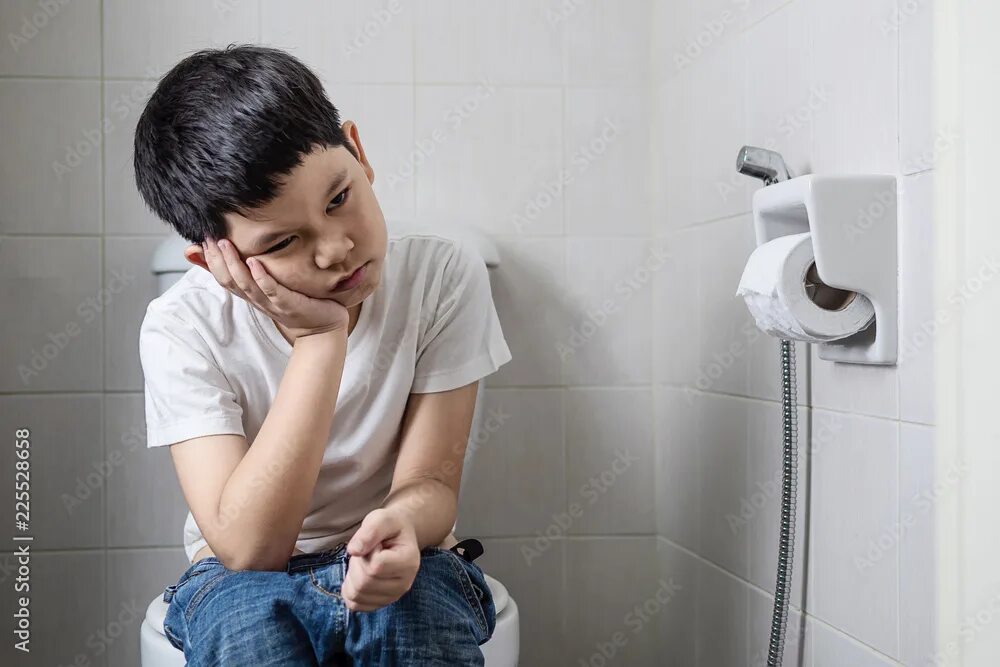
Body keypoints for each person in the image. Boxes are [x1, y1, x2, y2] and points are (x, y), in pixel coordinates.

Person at [134, 43, 511, 665]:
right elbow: (250, 549)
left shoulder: (443, 274)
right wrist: (318, 339)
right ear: (214, 261)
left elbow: (431, 483)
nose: (336, 249)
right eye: (283, 241)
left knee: (418, 624)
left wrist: (401, 528)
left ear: (358, 153)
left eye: (339, 197)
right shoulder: (181, 326)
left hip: (400, 550)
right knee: (248, 626)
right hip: (238, 577)